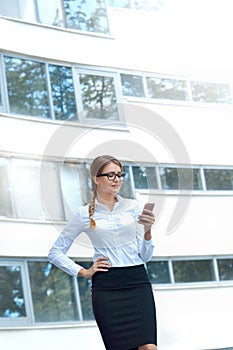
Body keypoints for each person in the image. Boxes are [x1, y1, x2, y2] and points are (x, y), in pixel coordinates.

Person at [48, 155, 158, 350]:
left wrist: (148, 231)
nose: (117, 179)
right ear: (96, 179)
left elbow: (145, 256)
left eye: (119, 174)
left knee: (149, 347)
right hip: (107, 288)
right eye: (110, 175)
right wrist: (83, 271)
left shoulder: (133, 207)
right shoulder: (83, 214)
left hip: (137, 282)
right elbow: (55, 252)